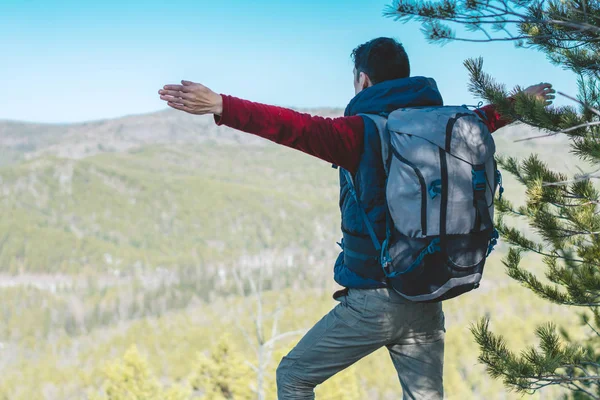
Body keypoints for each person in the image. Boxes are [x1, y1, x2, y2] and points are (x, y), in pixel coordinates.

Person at [158, 37, 555, 399]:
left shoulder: (359, 133)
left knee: (294, 375)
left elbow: (290, 127)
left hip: (374, 302)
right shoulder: (448, 126)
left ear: (363, 81)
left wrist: (221, 105)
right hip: (430, 290)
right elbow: (487, 118)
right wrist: (522, 101)